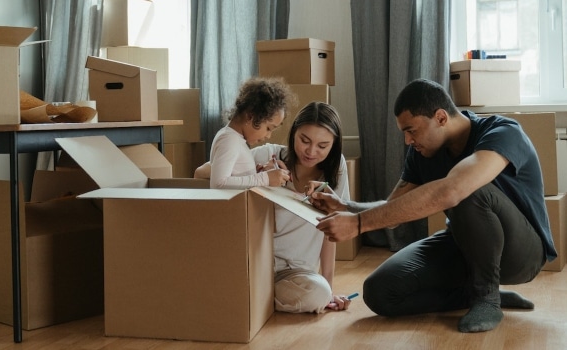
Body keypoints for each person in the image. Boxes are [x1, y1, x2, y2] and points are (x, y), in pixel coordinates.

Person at [311, 78, 556, 332]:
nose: (407, 141)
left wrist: (358, 224)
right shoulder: (421, 153)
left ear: (440, 117)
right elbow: (393, 209)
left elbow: (454, 190)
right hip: (464, 245)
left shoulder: (503, 132)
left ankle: (487, 298)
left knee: (467, 189)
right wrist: (346, 208)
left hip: (522, 254)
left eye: (411, 130)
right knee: (380, 292)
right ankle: (473, 293)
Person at [197, 101, 354, 313]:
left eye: (322, 146)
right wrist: (259, 176)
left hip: (296, 273)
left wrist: (329, 288)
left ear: (333, 145)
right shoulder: (268, 155)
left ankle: (249, 297)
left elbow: (331, 231)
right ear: (293, 133)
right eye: (304, 140)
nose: (311, 151)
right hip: (256, 264)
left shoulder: (337, 170)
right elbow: (202, 172)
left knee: (319, 294)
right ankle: (251, 295)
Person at [208, 77, 292, 189]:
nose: (268, 136)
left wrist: (255, 174)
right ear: (250, 116)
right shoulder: (229, 140)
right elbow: (218, 184)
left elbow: (235, 179)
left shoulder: (236, 139)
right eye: (268, 128)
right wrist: (265, 178)